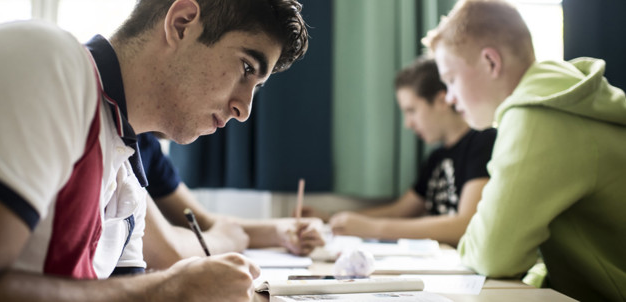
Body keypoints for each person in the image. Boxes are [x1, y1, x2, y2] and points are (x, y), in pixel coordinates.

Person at [0, 0, 309, 300]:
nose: (244, 109)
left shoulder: (127, 173)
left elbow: (125, 293)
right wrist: (170, 290)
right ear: (182, 24)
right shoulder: (47, 62)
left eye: (257, 87)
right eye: (246, 68)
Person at [422, 0, 626, 301]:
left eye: (451, 79)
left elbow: (493, 254)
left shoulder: (535, 115)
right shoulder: (561, 102)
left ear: (491, 62)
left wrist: (473, 245)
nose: (450, 98)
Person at [303, 58, 496, 247]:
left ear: (441, 101)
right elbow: (400, 210)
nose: (407, 124)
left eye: (411, 110)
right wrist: (332, 219)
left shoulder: (482, 142)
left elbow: (465, 225)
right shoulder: (436, 158)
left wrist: (373, 228)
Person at [138, 132, 325, 270]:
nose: (242, 112)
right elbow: (167, 252)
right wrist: (225, 241)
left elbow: (201, 221)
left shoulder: (146, 143)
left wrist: (278, 232)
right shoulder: (118, 139)